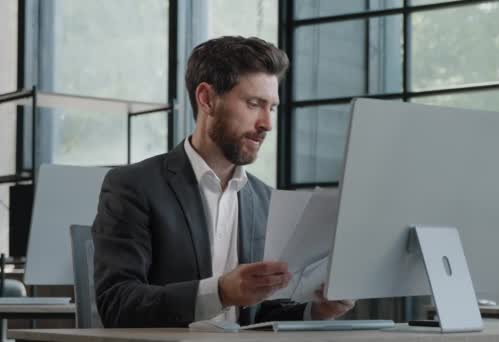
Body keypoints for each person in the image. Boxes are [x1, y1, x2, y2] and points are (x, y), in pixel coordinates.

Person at [92, 36, 354, 328]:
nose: (267, 123)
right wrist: (221, 292)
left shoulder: (265, 199)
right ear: (206, 99)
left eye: (272, 107)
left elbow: (263, 315)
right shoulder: (133, 186)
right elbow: (116, 304)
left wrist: (317, 311)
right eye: (254, 104)